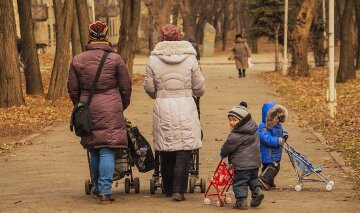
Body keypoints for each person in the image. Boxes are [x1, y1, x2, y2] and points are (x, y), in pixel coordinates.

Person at [67, 21, 132, 204]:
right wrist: (120, 105)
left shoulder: (77, 60)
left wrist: (80, 106)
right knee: (107, 150)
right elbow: (126, 87)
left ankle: (97, 187)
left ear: (90, 36)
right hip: (111, 107)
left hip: (88, 106)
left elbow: (73, 89)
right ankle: (104, 191)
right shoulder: (115, 59)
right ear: (105, 36)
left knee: (94, 149)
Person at [144, 24, 205, 201]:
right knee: (184, 147)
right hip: (186, 104)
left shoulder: (153, 60)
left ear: (161, 39)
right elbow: (199, 88)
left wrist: (160, 95)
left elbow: (149, 88)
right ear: (179, 37)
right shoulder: (190, 59)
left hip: (163, 105)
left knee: (166, 146)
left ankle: (168, 188)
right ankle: (179, 190)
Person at [220, 106, 264, 210]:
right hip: (255, 163)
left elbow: (228, 147)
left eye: (234, 120)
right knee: (252, 178)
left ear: (242, 121)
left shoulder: (236, 134)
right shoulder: (253, 130)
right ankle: (257, 191)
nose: (231, 122)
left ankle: (241, 202)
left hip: (242, 165)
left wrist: (223, 153)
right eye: (230, 120)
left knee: (240, 182)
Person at [257, 101, 288, 190]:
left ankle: (269, 182)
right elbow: (265, 138)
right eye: (276, 119)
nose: (278, 121)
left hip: (275, 152)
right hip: (269, 153)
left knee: (268, 168)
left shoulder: (277, 125)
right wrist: (277, 141)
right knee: (274, 167)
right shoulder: (263, 127)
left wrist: (284, 134)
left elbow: (280, 132)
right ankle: (263, 180)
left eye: (279, 119)